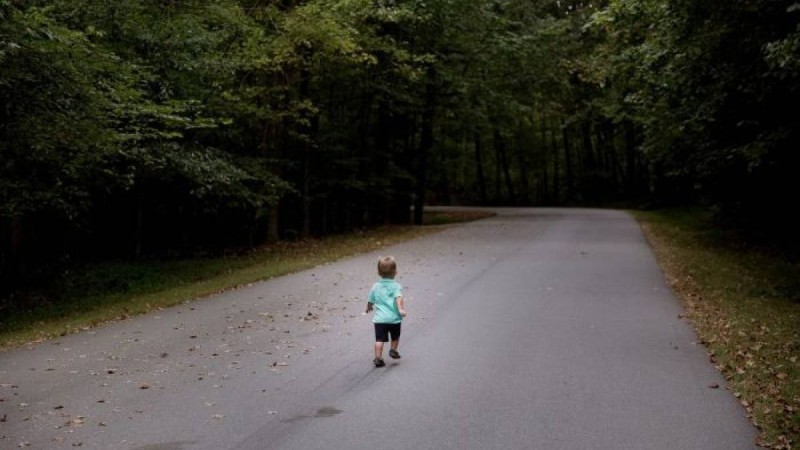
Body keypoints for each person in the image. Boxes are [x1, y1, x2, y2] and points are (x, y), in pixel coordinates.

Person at [366, 256, 407, 367]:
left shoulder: (375, 286)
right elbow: (398, 297)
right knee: (395, 337)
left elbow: (370, 299)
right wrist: (400, 309)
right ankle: (393, 350)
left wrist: (368, 307)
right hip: (394, 319)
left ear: (378, 272)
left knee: (379, 340)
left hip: (380, 320)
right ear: (395, 272)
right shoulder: (396, 286)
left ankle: (378, 358)